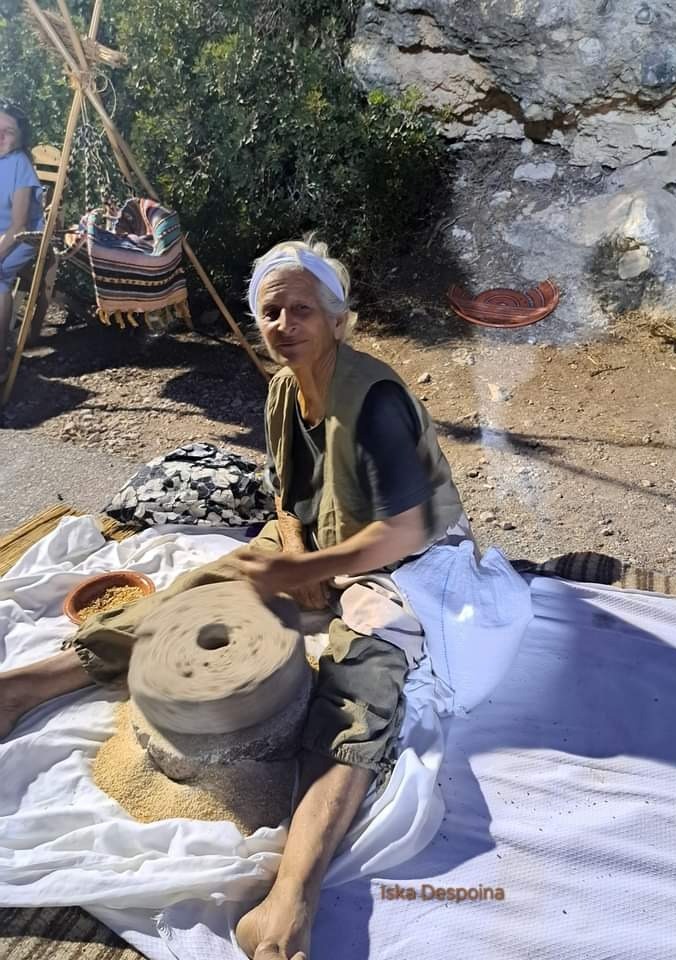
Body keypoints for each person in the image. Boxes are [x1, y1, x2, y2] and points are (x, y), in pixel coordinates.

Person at [0, 237, 467, 960]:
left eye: (301, 310)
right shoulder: (284, 388)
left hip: (407, 563)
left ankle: (292, 894)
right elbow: (285, 494)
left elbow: (404, 529)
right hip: (319, 542)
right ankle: (25, 686)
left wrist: (310, 569)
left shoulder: (373, 401)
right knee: (197, 593)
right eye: (271, 311)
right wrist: (292, 549)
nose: (284, 324)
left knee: (363, 679)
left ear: (337, 318)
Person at [0, 101, 45, 380]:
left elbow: (19, 225)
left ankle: (0, 358)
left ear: (20, 138)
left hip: (23, 237)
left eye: (8, 131)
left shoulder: (19, 164)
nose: (0, 136)